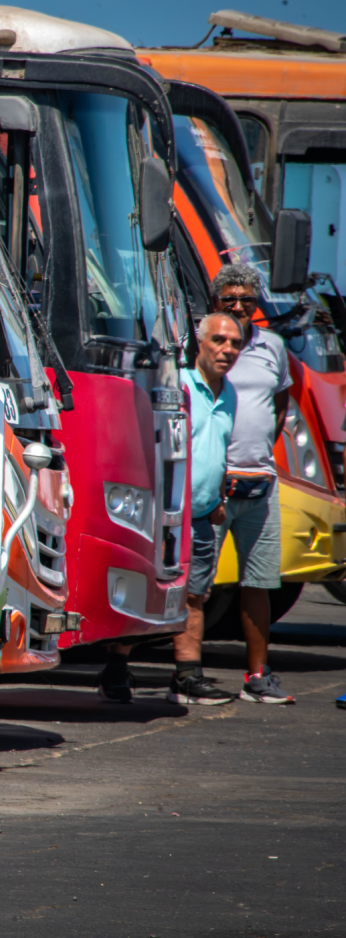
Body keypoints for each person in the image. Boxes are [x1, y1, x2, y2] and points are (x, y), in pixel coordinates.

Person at [210, 263, 295, 704]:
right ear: (216, 302)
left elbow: (279, 404)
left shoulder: (273, 347)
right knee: (193, 584)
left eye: (246, 298)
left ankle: (257, 675)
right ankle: (186, 674)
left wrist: (258, 450)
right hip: (212, 484)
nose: (239, 306)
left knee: (259, 583)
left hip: (261, 482)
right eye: (230, 298)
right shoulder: (204, 342)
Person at [166, 312, 243, 704]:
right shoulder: (177, 384)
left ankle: (186, 675)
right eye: (219, 341)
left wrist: (219, 499)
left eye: (234, 344)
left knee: (196, 595)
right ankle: (116, 668)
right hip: (165, 514)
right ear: (200, 342)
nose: (227, 350)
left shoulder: (229, 393)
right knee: (151, 591)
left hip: (202, 514)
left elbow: (219, 450)